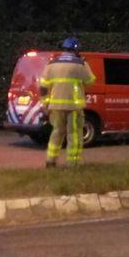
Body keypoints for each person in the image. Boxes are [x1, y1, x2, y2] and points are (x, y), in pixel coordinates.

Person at [39, 37, 96, 168]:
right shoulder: (80, 64)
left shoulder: (51, 63)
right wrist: (84, 64)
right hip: (74, 107)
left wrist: (45, 103)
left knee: (57, 132)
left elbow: (43, 87)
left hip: (56, 107)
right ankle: (73, 163)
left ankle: (50, 161)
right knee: (74, 134)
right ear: (76, 49)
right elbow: (90, 81)